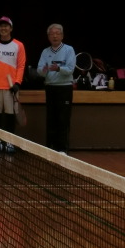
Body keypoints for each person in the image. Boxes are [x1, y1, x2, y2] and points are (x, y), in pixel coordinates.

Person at [0, 16, 26, 153]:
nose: (3, 28)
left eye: (6, 26)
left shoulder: (19, 45)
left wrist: (17, 83)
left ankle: (9, 142)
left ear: (11, 28)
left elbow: (21, 66)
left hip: (11, 87)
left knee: (9, 117)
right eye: (1, 26)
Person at [36, 23, 76, 154]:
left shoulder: (69, 50)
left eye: (57, 33)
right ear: (48, 36)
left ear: (62, 36)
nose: (55, 36)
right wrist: (44, 70)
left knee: (63, 119)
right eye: (52, 34)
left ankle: (62, 149)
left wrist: (58, 68)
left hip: (64, 89)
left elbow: (70, 69)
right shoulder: (45, 52)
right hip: (50, 88)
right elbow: (39, 70)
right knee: (51, 119)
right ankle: (50, 148)